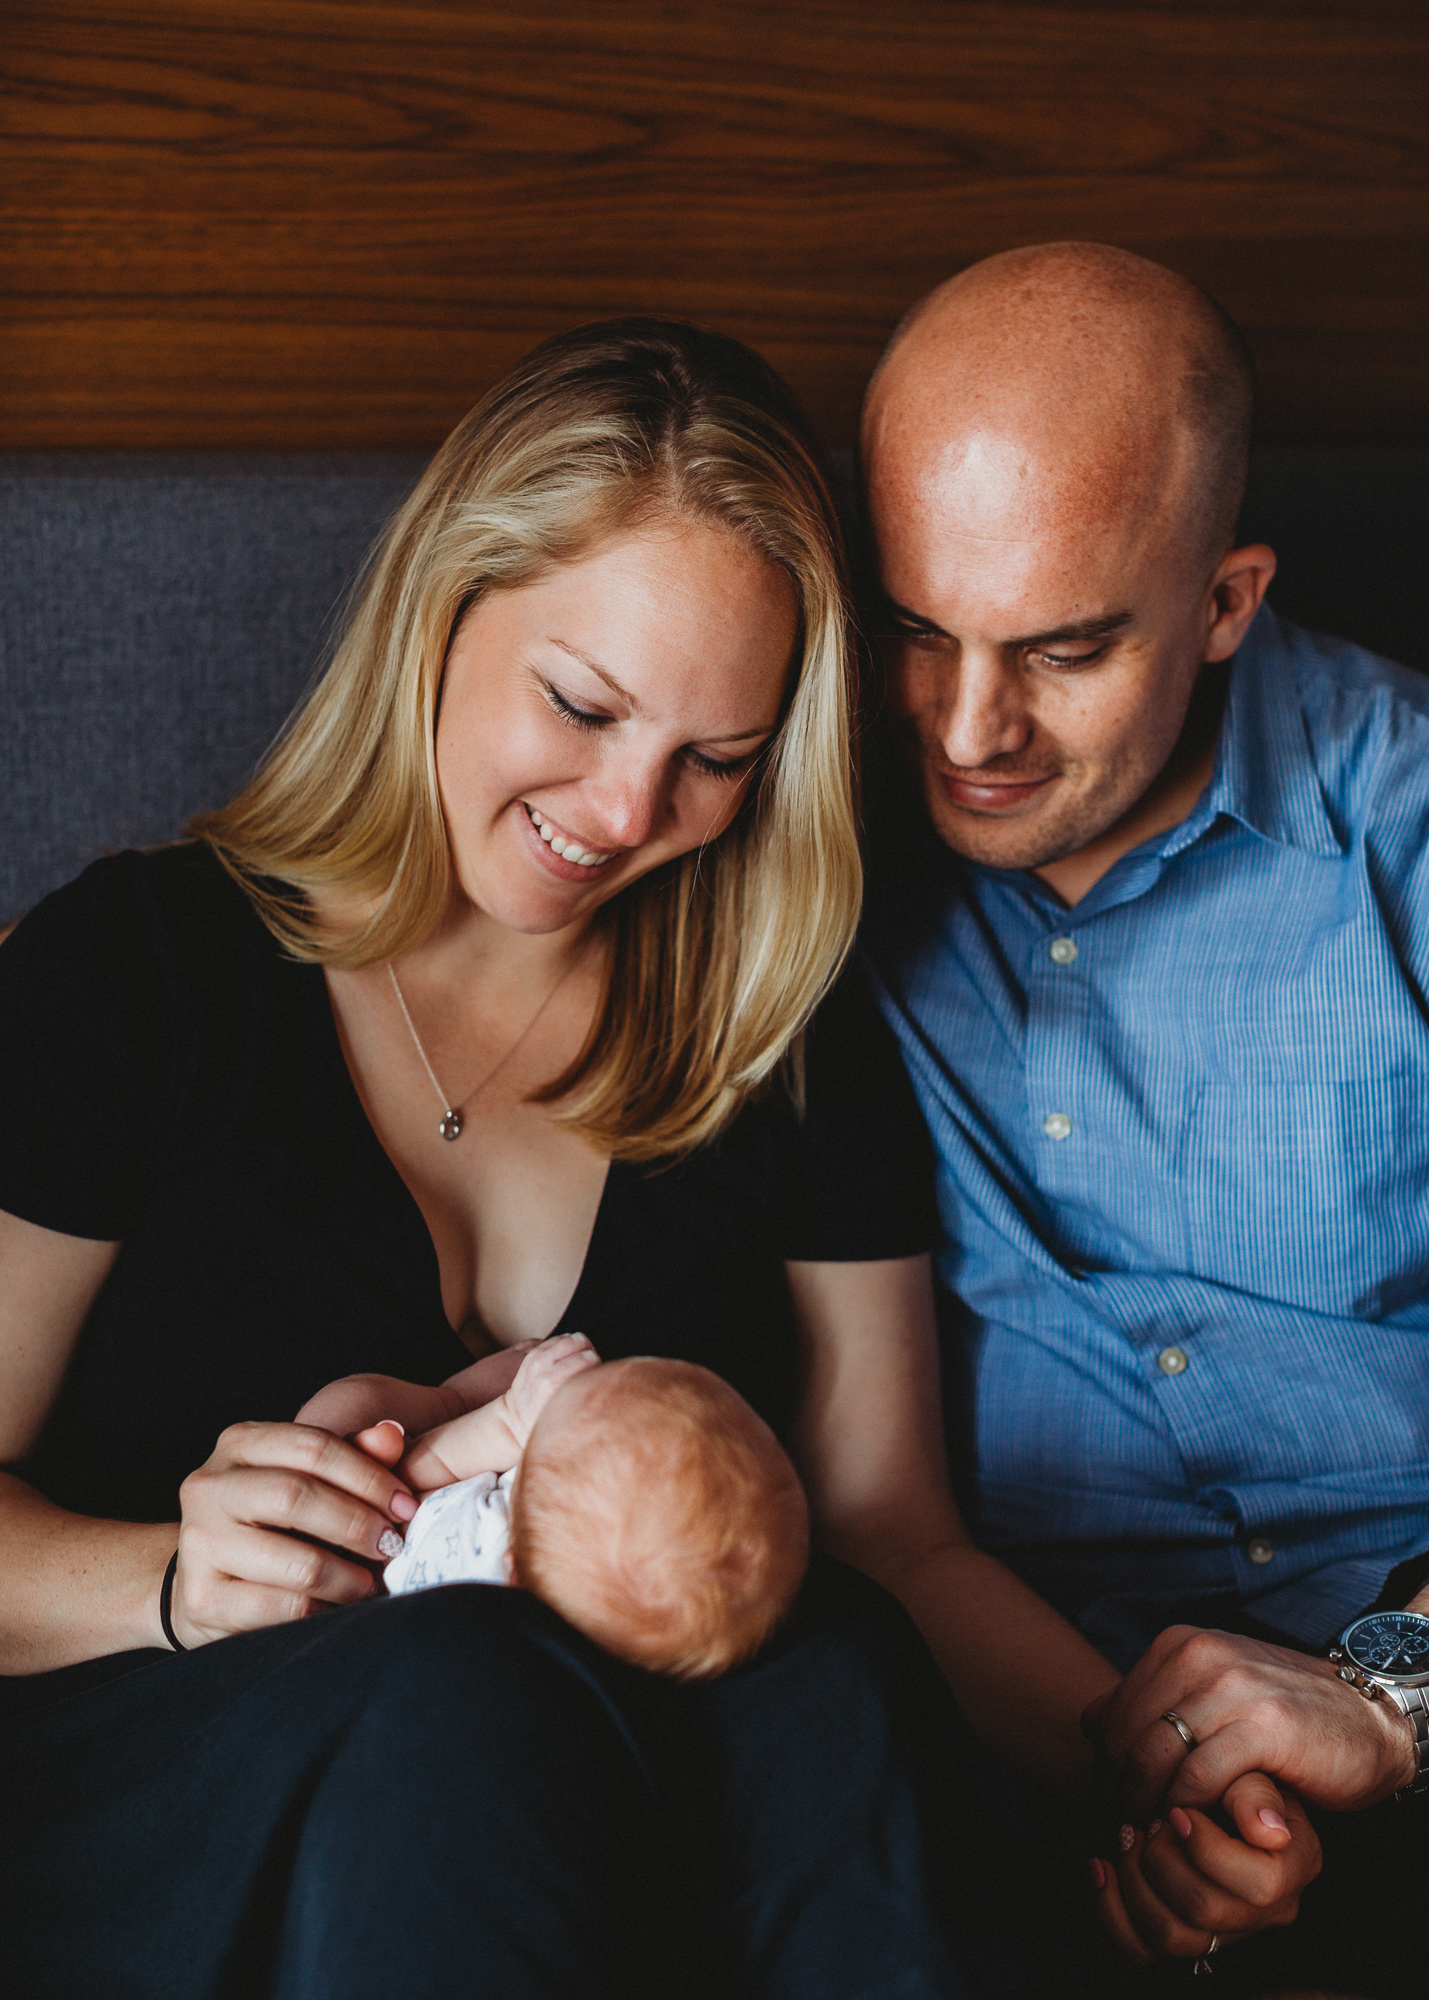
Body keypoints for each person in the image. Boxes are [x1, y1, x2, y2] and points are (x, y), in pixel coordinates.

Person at [0, 314, 1069, 2000]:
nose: (630, 815)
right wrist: (173, 1584)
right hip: (166, 1775)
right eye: (580, 704)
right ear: (444, 608)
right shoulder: (137, 975)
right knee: (465, 1673)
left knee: (835, 1660)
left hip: (632, 1813)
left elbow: (889, 1537)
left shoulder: (773, 1038)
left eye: (714, 760)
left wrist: (1151, 1753)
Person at [858, 240, 1429, 1995]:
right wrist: (1177, 1803)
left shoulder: (1399, 821)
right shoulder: (789, 830)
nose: (966, 732)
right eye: (913, 632)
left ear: (1222, 601)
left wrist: (1387, 1697)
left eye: (1061, 651)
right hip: (1005, 1739)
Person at [300, 1337, 812, 1683]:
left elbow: (403, 1483)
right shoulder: (583, 1640)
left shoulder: (488, 1528)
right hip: (358, 1664)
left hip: (328, 1589)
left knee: (356, 1414)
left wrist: (508, 1418)